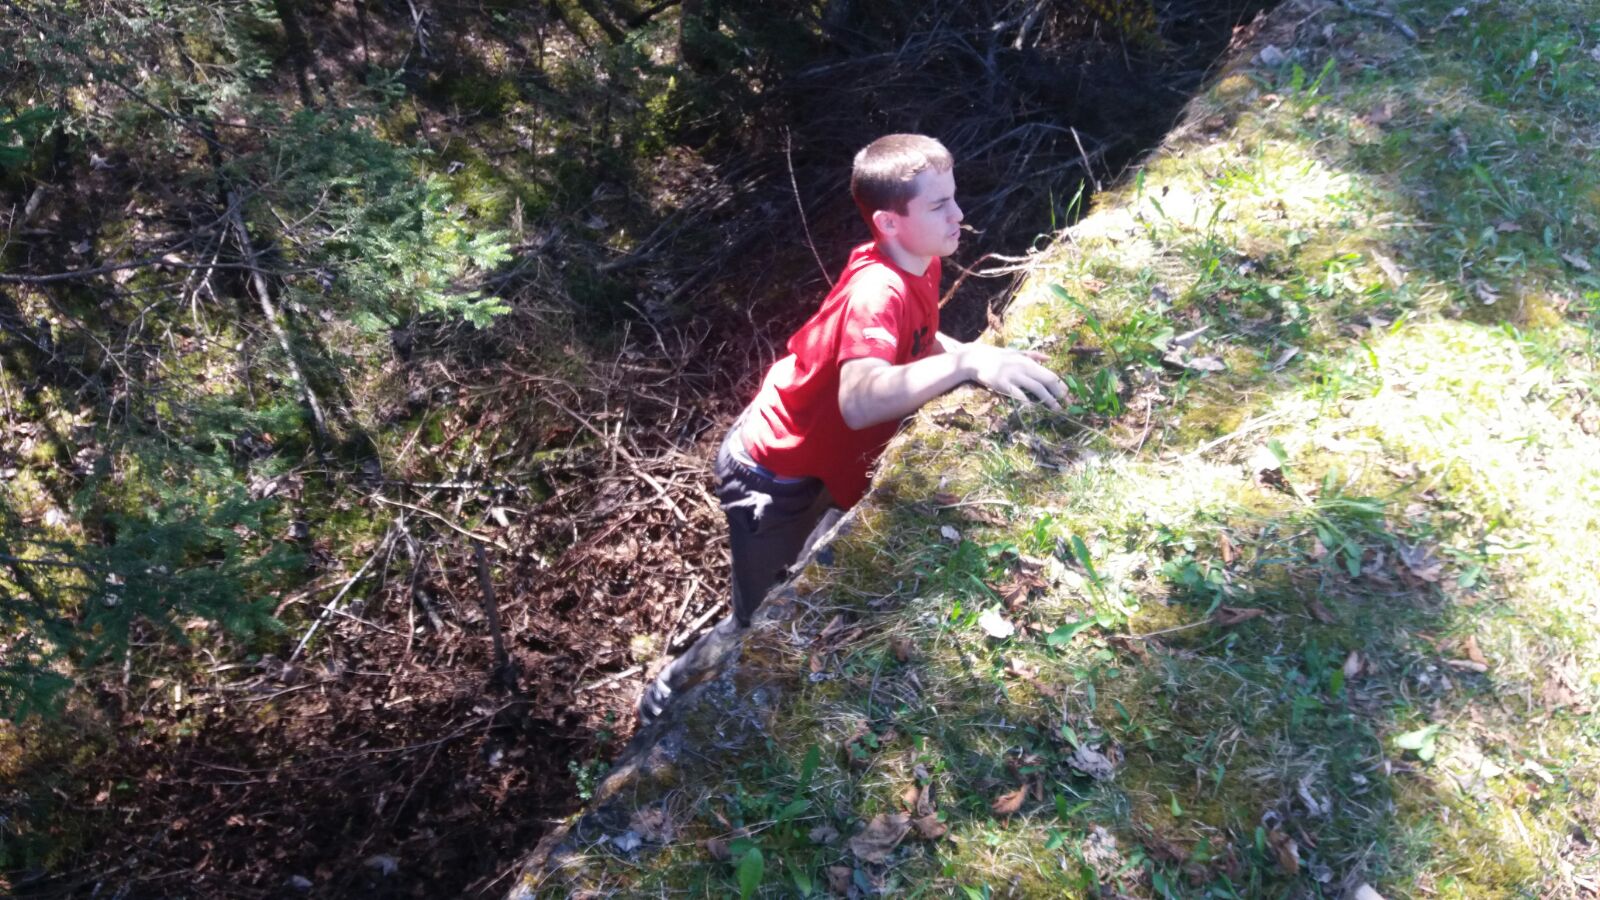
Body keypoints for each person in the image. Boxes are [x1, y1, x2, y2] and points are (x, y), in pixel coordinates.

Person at [637, 134, 1066, 724]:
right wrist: (968, 363)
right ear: (889, 222)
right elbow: (861, 402)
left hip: (815, 461)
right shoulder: (877, 291)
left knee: (801, 588)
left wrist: (975, 354)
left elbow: (915, 341)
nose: (959, 214)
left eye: (954, 196)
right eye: (939, 204)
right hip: (770, 474)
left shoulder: (918, 258)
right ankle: (664, 701)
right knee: (756, 617)